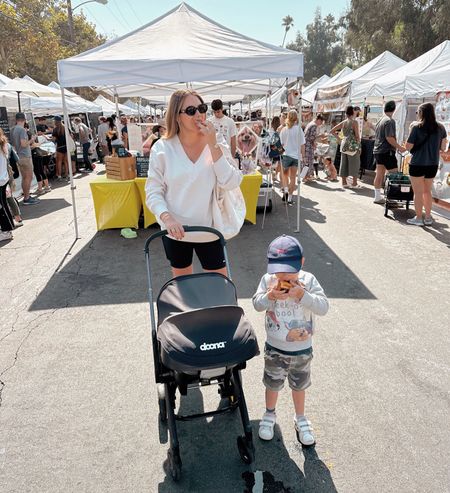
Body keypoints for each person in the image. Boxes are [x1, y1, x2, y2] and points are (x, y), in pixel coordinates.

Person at [146, 89, 242, 278]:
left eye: (201, 108)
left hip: (209, 229)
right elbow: (153, 190)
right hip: (175, 230)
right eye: (191, 110)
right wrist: (167, 218)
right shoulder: (162, 148)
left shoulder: (216, 140)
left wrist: (213, 144)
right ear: (177, 116)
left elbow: (231, 182)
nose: (199, 114)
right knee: (183, 285)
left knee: (219, 285)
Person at [252, 235, 329, 444]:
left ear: (301, 262)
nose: (283, 274)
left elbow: (323, 307)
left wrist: (303, 295)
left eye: (289, 269)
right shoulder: (268, 281)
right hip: (275, 347)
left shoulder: (309, 281)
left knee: (299, 385)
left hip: (302, 349)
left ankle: (300, 417)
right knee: (272, 384)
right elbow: (256, 304)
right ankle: (269, 414)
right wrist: (270, 296)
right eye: (278, 269)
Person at [404, 103, 447, 226]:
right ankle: (428, 218)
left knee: (418, 192)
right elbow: (443, 148)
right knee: (427, 191)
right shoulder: (441, 128)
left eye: (418, 112)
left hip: (417, 163)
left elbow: (408, 147)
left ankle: (418, 218)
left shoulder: (416, 127)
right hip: (433, 164)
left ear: (422, 113)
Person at [372, 101, 406, 204]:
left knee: (379, 174)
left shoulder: (380, 120)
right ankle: (392, 197)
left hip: (378, 150)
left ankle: (377, 197)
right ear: (394, 109)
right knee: (394, 174)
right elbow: (389, 137)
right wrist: (399, 147)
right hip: (387, 151)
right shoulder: (390, 121)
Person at [10, 113, 40, 205]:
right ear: (24, 119)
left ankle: (26, 196)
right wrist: (32, 139)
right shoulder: (22, 130)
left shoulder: (13, 129)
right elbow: (23, 144)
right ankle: (27, 198)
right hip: (25, 157)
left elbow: (16, 145)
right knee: (28, 177)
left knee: (25, 177)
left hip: (19, 156)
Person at [331, 106, 361, 189]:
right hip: (352, 146)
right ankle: (354, 183)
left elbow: (332, 131)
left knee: (344, 164)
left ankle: (344, 182)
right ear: (353, 112)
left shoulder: (344, 122)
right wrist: (359, 146)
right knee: (355, 164)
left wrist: (340, 139)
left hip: (344, 145)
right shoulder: (354, 122)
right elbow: (357, 136)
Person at [279, 110, 306, 204]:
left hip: (286, 155)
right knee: (293, 177)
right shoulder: (299, 129)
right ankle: (290, 197)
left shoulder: (284, 129)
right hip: (296, 156)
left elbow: (281, 144)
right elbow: (302, 144)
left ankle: (285, 190)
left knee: (285, 176)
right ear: (296, 118)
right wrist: (304, 156)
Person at [0, 129, 15, 241]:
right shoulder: (4, 144)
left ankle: (6, 230)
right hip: (3, 178)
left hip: (1, 179)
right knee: (4, 204)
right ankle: (8, 228)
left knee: (1, 205)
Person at [303, 114, 326, 182]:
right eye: (321, 122)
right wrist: (320, 136)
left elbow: (309, 136)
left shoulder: (310, 123)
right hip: (308, 146)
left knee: (306, 161)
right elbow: (311, 138)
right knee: (308, 161)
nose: (321, 124)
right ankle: (306, 176)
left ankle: (306, 176)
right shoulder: (314, 125)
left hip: (306, 144)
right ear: (319, 120)